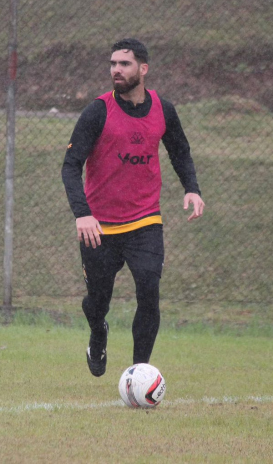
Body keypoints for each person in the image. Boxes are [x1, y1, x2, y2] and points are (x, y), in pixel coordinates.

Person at [61, 38, 205, 377]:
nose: (116, 70)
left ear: (143, 68)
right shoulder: (98, 111)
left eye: (124, 64)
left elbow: (179, 151)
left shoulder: (163, 108)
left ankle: (140, 372)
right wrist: (82, 214)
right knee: (97, 303)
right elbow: (70, 165)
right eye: (112, 64)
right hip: (100, 227)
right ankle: (98, 333)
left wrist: (192, 188)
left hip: (145, 220)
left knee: (148, 289)